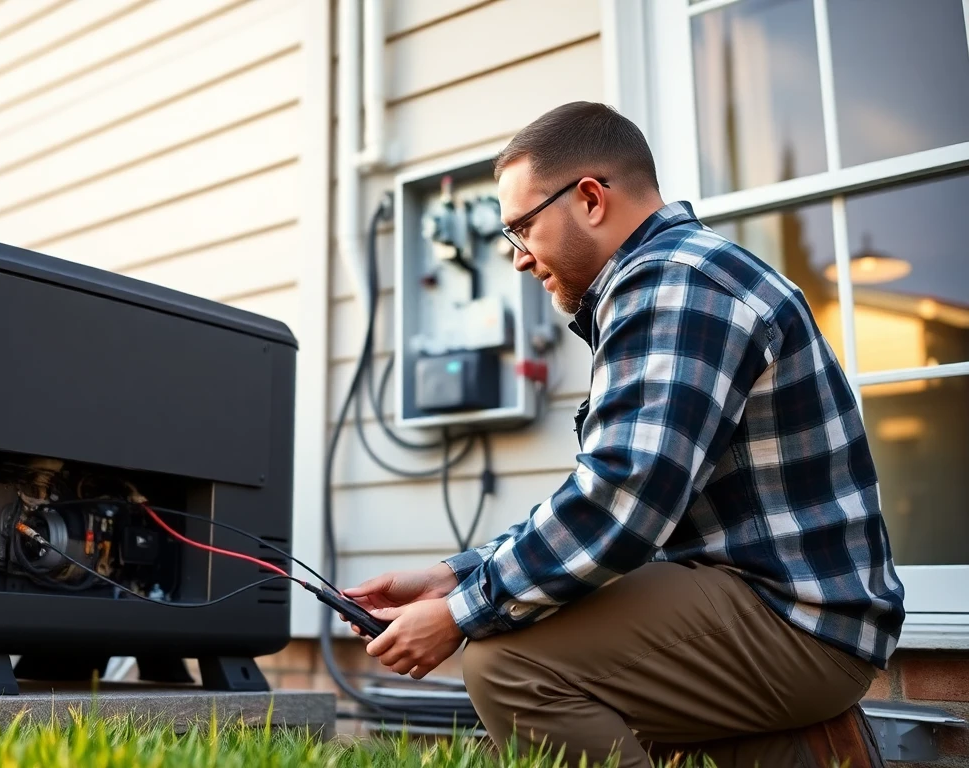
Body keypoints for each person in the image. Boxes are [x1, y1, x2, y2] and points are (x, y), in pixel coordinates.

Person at [343, 101, 905, 768]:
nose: (519, 260)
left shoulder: (677, 282)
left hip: (800, 622)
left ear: (588, 199)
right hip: (757, 601)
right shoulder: (666, 279)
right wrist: (450, 576)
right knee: (543, 621)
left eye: (522, 228)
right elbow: (610, 497)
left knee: (509, 666)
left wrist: (463, 608)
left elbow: (623, 498)